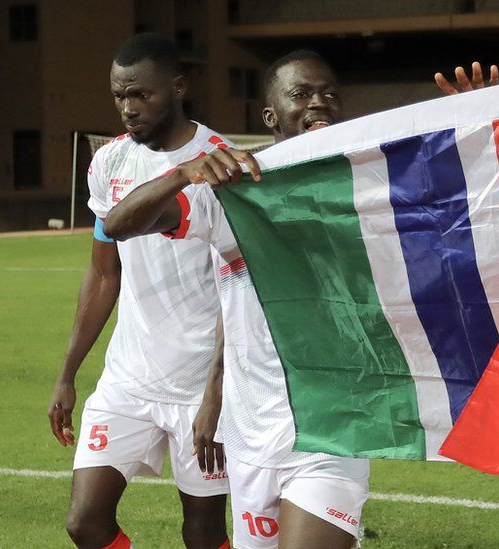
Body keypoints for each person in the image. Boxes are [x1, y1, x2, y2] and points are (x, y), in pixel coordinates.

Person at [103, 50, 368, 549]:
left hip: (332, 424)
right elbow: (119, 225)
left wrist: (477, 129)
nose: (319, 103)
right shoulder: (237, 191)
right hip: (253, 429)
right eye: (302, 94)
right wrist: (182, 174)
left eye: (330, 93)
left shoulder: (368, 183)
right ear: (270, 117)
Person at [47, 33, 230, 549]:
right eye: (119, 96)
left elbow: (238, 284)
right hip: (128, 379)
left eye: (140, 95)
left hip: (200, 382)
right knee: (85, 522)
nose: (128, 109)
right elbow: (104, 274)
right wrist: (67, 374)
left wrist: (218, 391)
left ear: (176, 88)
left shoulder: (219, 162)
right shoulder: (109, 163)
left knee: (203, 533)